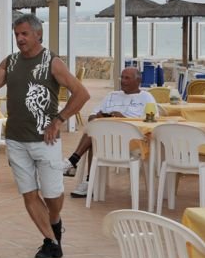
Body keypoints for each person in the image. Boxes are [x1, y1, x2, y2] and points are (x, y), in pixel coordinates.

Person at [0, 13, 89, 258]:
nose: (20, 38)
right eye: (17, 34)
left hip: (46, 141)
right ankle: (51, 241)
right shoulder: (10, 62)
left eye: (24, 34)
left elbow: (81, 94)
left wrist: (59, 120)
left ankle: (55, 222)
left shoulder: (52, 62)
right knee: (29, 194)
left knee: (52, 195)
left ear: (38, 34)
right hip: (16, 140)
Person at [62, 66, 158, 198]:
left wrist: (122, 119)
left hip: (131, 142)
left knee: (95, 137)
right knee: (95, 128)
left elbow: (152, 121)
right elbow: (91, 117)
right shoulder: (112, 95)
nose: (123, 81)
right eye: (122, 77)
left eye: (127, 78)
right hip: (106, 140)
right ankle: (89, 180)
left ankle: (76, 165)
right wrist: (99, 116)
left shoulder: (146, 97)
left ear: (138, 81)